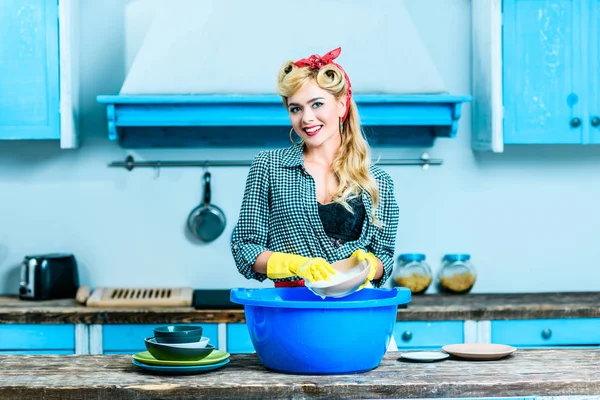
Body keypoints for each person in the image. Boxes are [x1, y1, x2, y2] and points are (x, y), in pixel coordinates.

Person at [231, 47, 399, 290]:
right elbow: (244, 248)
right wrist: (292, 264)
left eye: (317, 104)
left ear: (341, 106)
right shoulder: (268, 166)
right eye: (296, 108)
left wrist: (371, 265)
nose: (307, 118)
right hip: (292, 310)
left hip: (354, 310)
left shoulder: (378, 181)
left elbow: (384, 256)